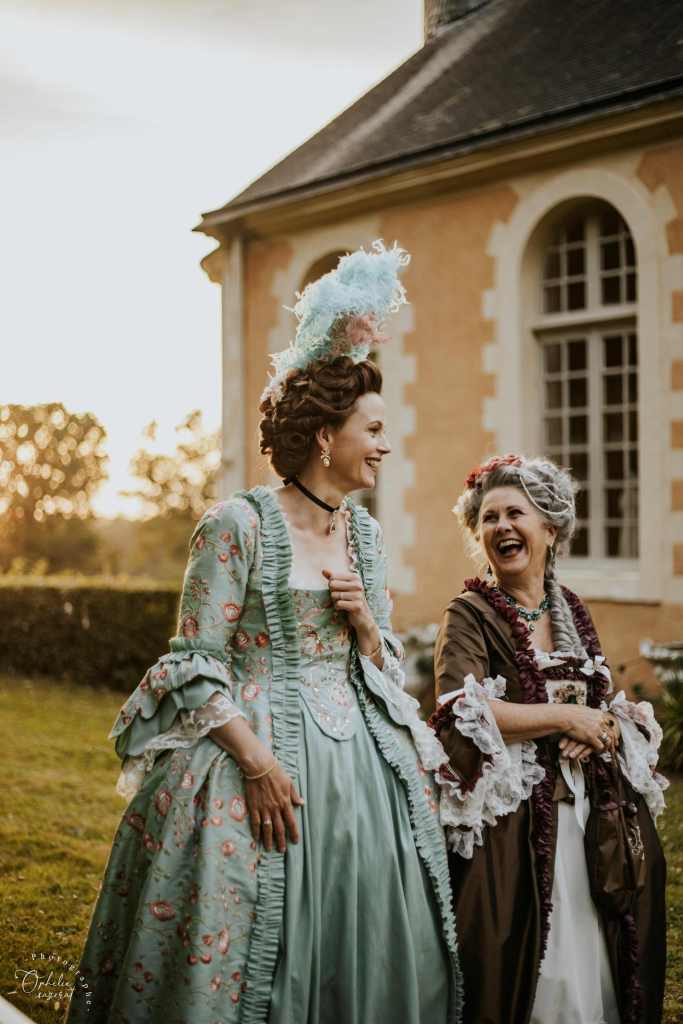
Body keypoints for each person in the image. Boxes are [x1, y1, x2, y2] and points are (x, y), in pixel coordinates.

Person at [66, 241, 462, 1024]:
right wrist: (256, 765)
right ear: (326, 437)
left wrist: (360, 621)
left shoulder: (367, 537)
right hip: (245, 760)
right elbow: (191, 664)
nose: (384, 444)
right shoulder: (234, 525)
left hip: (359, 780)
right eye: (373, 428)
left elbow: (382, 664)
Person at [431, 454, 667, 1024]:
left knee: (596, 952)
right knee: (540, 964)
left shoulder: (572, 611)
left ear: (550, 528)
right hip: (516, 826)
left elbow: (604, 703)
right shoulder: (469, 614)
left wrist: (602, 727)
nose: (501, 527)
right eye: (488, 519)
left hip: (590, 814)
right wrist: (566, 720)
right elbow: (462, 708)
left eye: (516, 513)